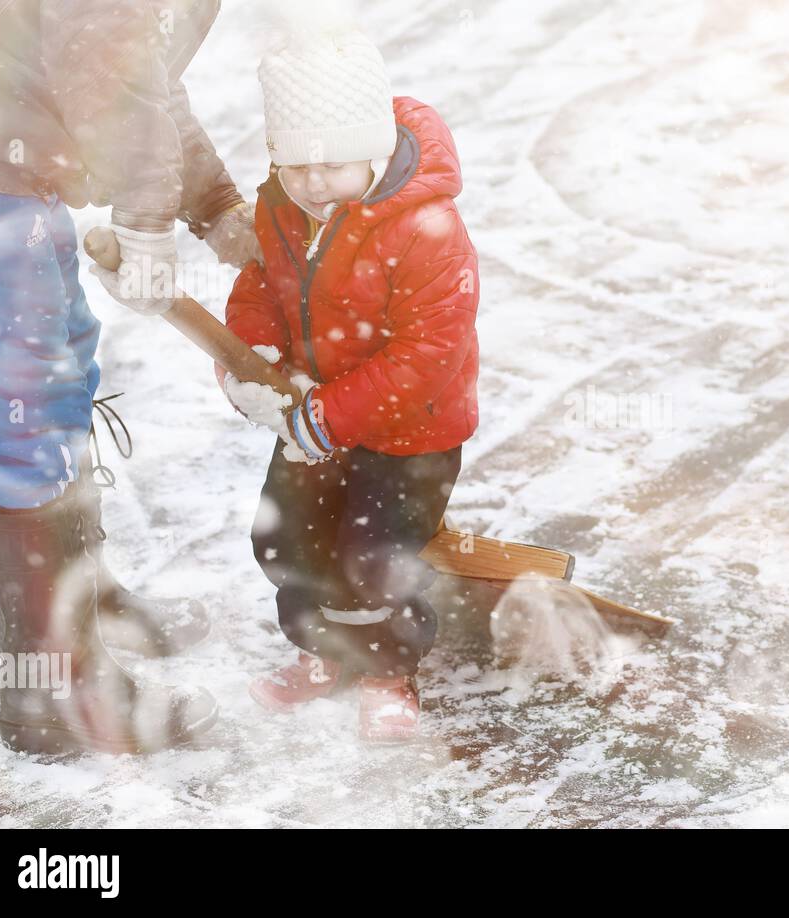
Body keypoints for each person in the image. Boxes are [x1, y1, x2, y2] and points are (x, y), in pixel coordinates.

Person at [0, 0, 258, 753]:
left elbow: (137, 67)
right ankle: (50, 685)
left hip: (9, 159)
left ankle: (77, 603)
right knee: (19, 413)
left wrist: (212, 202)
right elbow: (103, 52)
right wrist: (146, 217)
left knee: (59, 369)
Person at [218, 30, 479, 742]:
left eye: (330, 164)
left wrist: (331, 414)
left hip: (407, 432)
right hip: (310, 416)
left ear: (373, 148)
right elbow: (260, 283)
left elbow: (429, 351)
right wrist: (254, 347)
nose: (309, 180)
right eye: (293, 162)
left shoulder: (426, 229)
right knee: (286, 543)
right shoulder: (283, 206)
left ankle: (388, 669)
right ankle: (323, 653)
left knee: (373, 557)